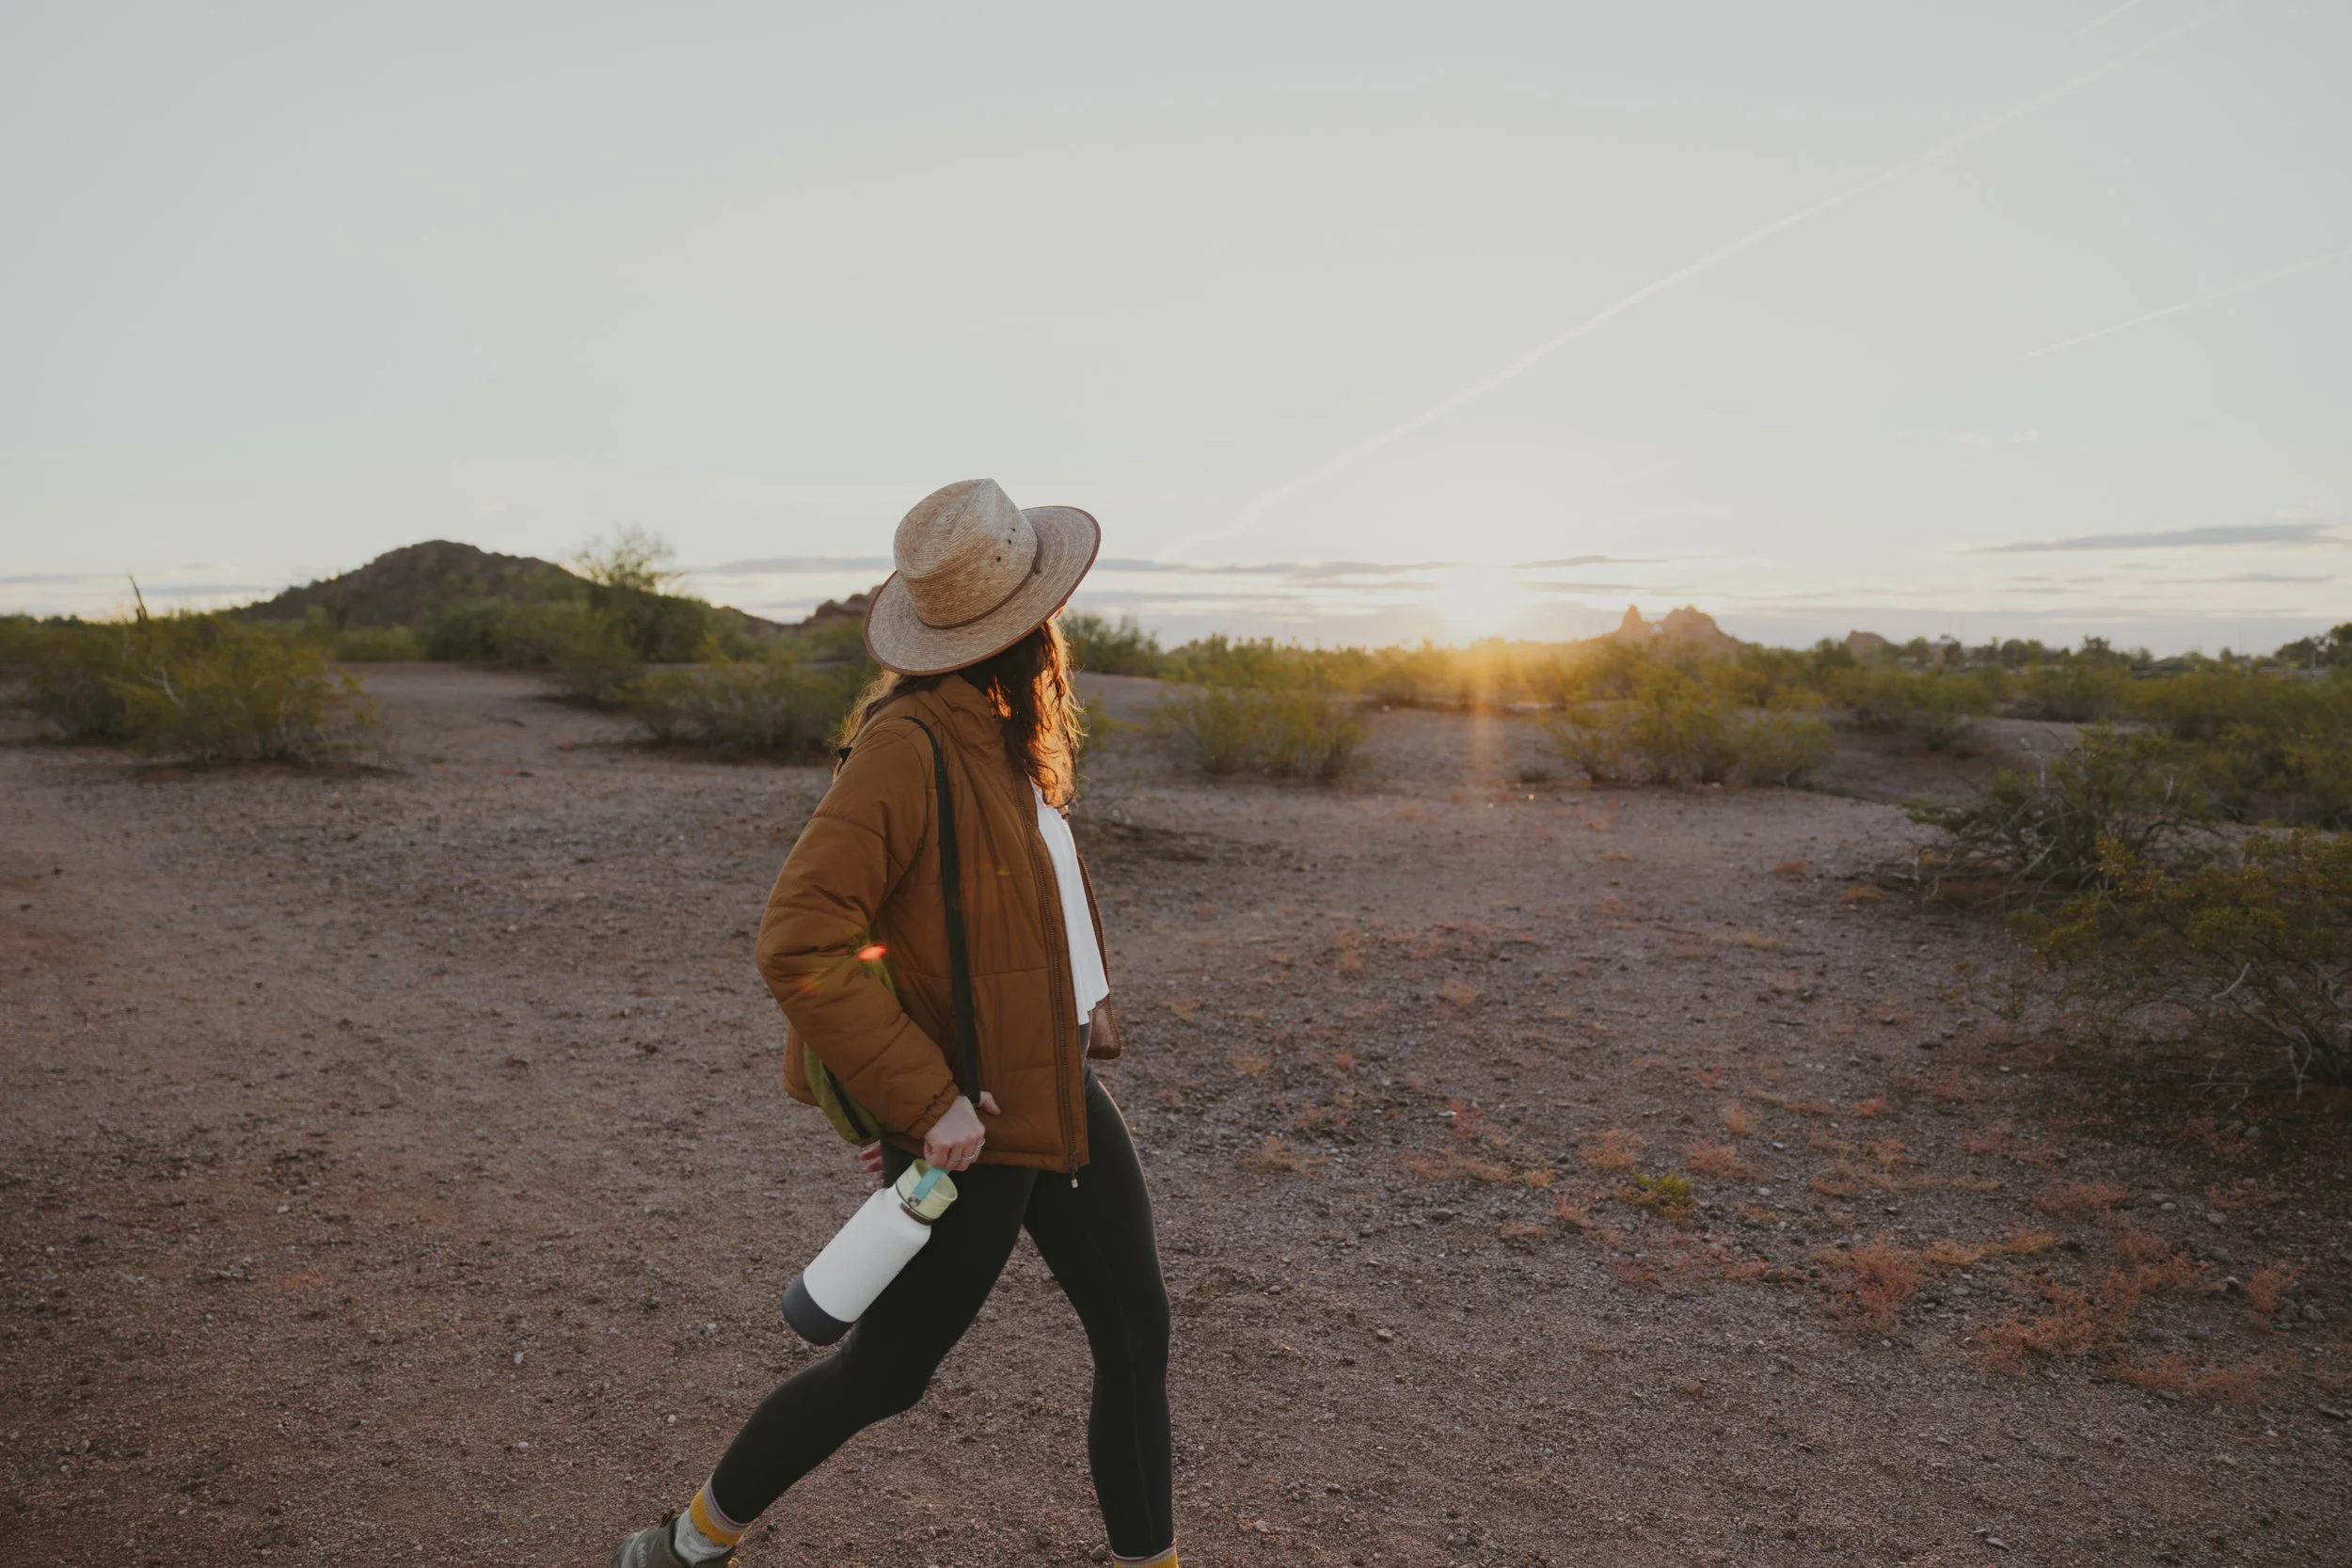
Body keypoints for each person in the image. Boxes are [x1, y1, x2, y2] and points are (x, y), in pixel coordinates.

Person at [612, 479, 1177, 1568]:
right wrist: (921, 1100)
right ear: (1024, 626)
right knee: (885, 1372)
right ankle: (688, 1541)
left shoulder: (1000, 738)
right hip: (974, 1115)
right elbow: (801, 938)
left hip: (1056, 1089)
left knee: (1135, 1334)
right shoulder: (907, 745)